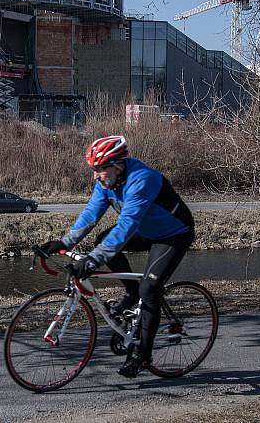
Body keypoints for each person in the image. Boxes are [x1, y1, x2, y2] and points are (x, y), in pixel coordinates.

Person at [41, 135, 194, 378]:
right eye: (93, 170)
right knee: (103, 240)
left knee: (150, 289)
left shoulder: (141, 180)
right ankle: (131, 292)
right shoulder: (107, 182)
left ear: (118, 164)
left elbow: (125, 227)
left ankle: (143, 354)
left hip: (173, 234)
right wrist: (64, 241)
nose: (95, 176)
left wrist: (93, 260)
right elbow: (92, 213)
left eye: (100, 170)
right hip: (144, 230)